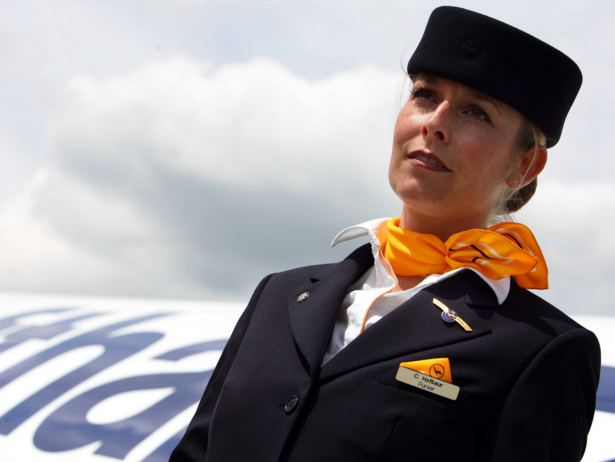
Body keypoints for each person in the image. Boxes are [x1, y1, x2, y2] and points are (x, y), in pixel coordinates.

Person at [170, 7, 601, 462]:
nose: (434, 123)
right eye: (424, 94)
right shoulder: (280, 294)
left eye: (476, 112)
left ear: (525, 165)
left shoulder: (538, 349)